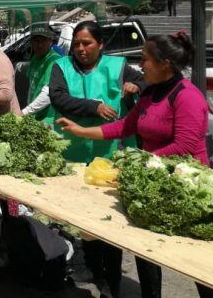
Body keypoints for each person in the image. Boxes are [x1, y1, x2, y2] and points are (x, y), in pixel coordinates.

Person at [57, 32, 213, 298]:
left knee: (198, 264)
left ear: (165, 63)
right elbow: (125, 126)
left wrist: (137, 162)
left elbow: (184, 146)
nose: (140, 66)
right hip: (155, 185)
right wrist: (80, 131)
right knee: (147, 252)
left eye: (144, 60)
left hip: (189, 189)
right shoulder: (151, 93)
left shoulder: (187, 96)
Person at [47, 20, 144, 298]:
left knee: (108, 221)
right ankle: (95, 270)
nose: (81, 49)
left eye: (87, 43)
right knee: (83, 221)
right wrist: (94, 107)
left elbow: (146, 81)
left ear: (100, 44)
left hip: (109, 155)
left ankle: (111, 280)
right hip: (73, 155)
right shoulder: (61, 67)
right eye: (77, 44)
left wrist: (134, 87)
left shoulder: (118, 66)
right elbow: (59, 99)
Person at [21, 22, 63, 119]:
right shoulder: (35, 58)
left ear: (51, 41)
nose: (39, 44)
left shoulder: (54, 60)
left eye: (43, 40)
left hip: (48, 118)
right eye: (36, 40)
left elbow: (48, 93)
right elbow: (31, 87)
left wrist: (24, 112)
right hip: (35, 116)